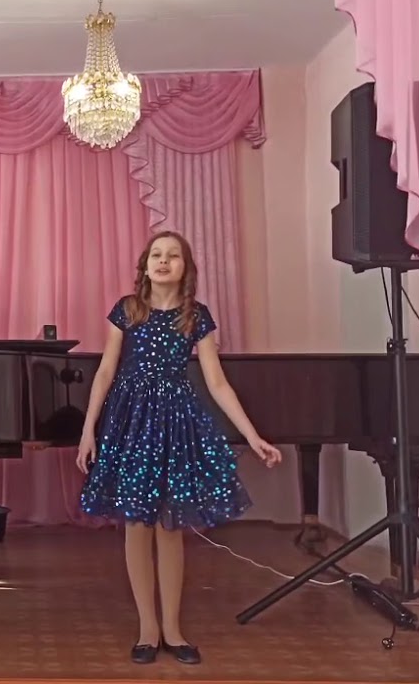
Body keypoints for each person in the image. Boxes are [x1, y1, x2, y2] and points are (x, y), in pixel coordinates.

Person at [75, 231, 282, 666]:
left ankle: (172, 628)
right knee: (137, 524)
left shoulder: (196, 316)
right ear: (145, 265)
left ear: (185, 268)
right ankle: (147, 628)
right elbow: (105, 371)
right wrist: (88, 429)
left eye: (173, 256)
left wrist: (252, 435)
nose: (163, 261)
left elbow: (217, 383)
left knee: (169, 526)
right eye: (156, 254)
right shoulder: (128, 310)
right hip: (130, 424)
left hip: (174, 424)